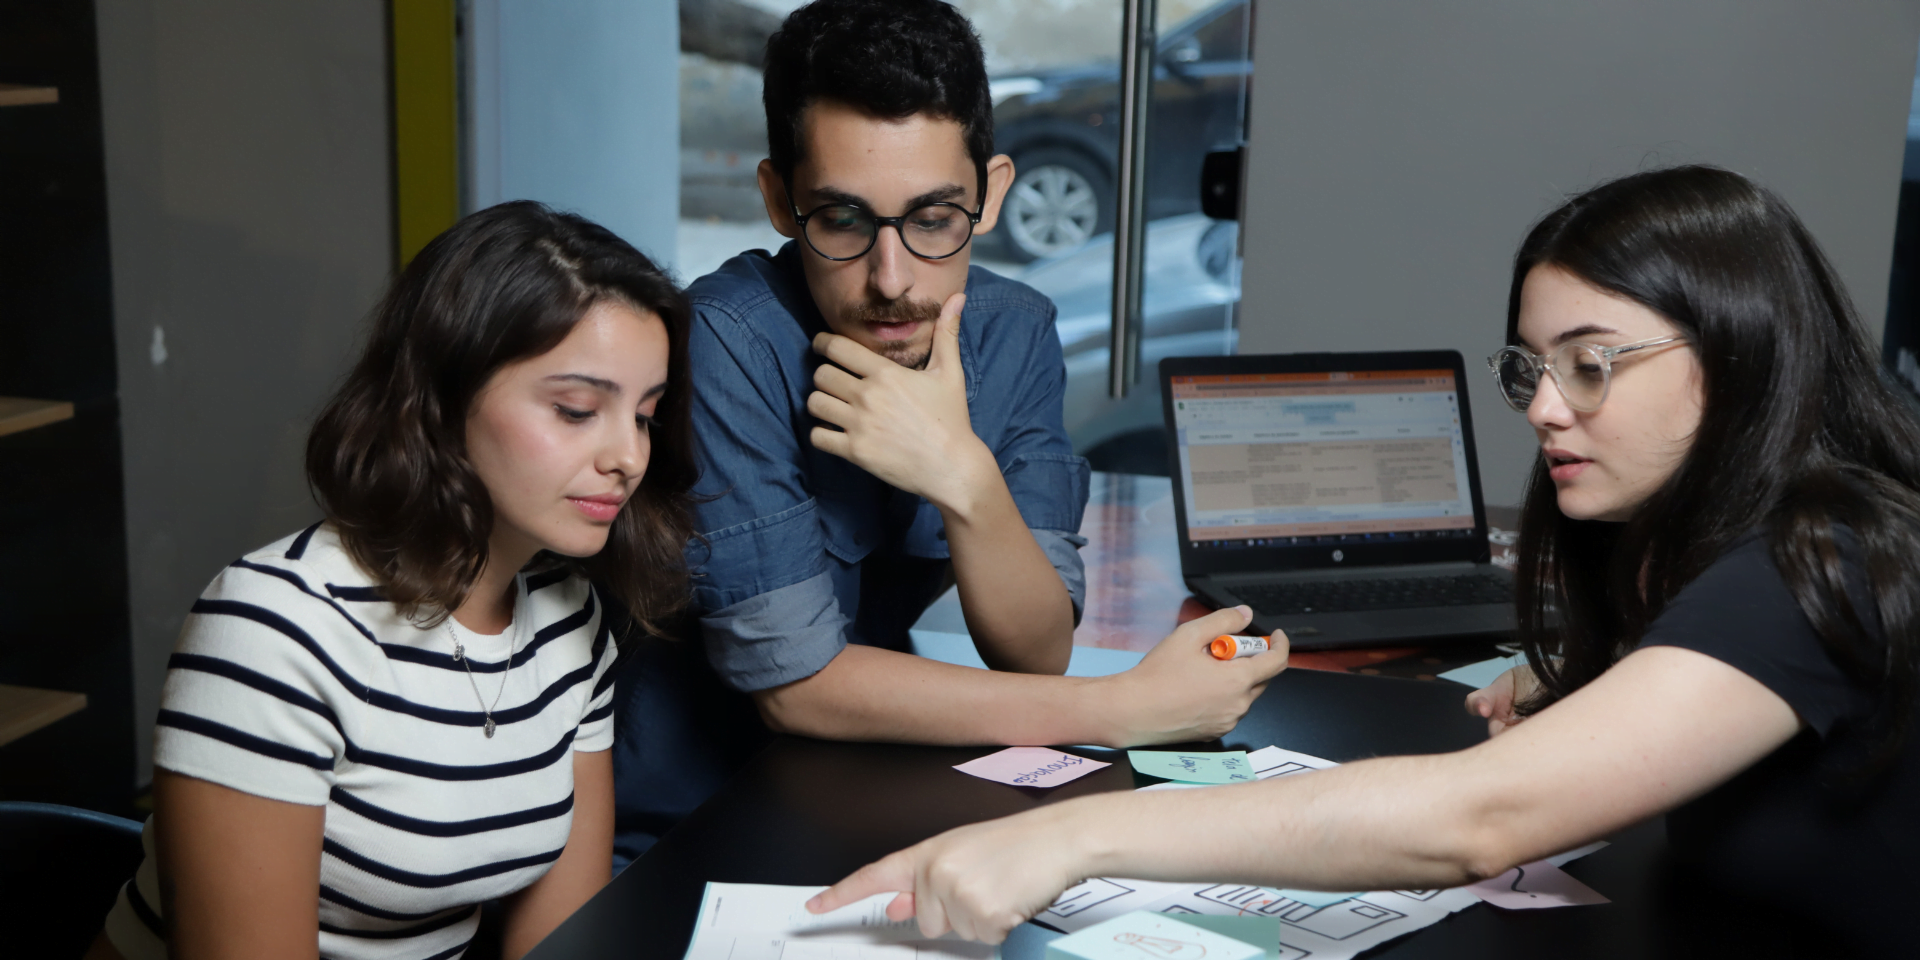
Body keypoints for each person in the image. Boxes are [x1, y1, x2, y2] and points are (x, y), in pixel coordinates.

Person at [809, 166, 1920, 956]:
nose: (1543, 408)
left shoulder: (1819, 557)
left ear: (1736, 349)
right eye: (1528, 370)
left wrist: (1070, 838)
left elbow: (1476, 821)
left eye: (1591, 366)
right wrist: (1614, 681)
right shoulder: (1745, 553)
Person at [610, 0, 1285, 860]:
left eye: (933, 219)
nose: (892, 281)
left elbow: (1035, 649)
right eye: (844, 221)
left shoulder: (1013, 331)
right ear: (780, 201)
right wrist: (1126, 708)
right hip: (698, 835)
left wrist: (962, 475)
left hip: (879, 805)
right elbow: (797, 684)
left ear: (993, 192)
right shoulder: (725, 340)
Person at [89, 201, 699, 960]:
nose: (629, 456)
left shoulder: (568, 620)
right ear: (443, 400)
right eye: (577, 410)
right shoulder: (274, 631)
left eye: (645, 414)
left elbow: (557, 943)